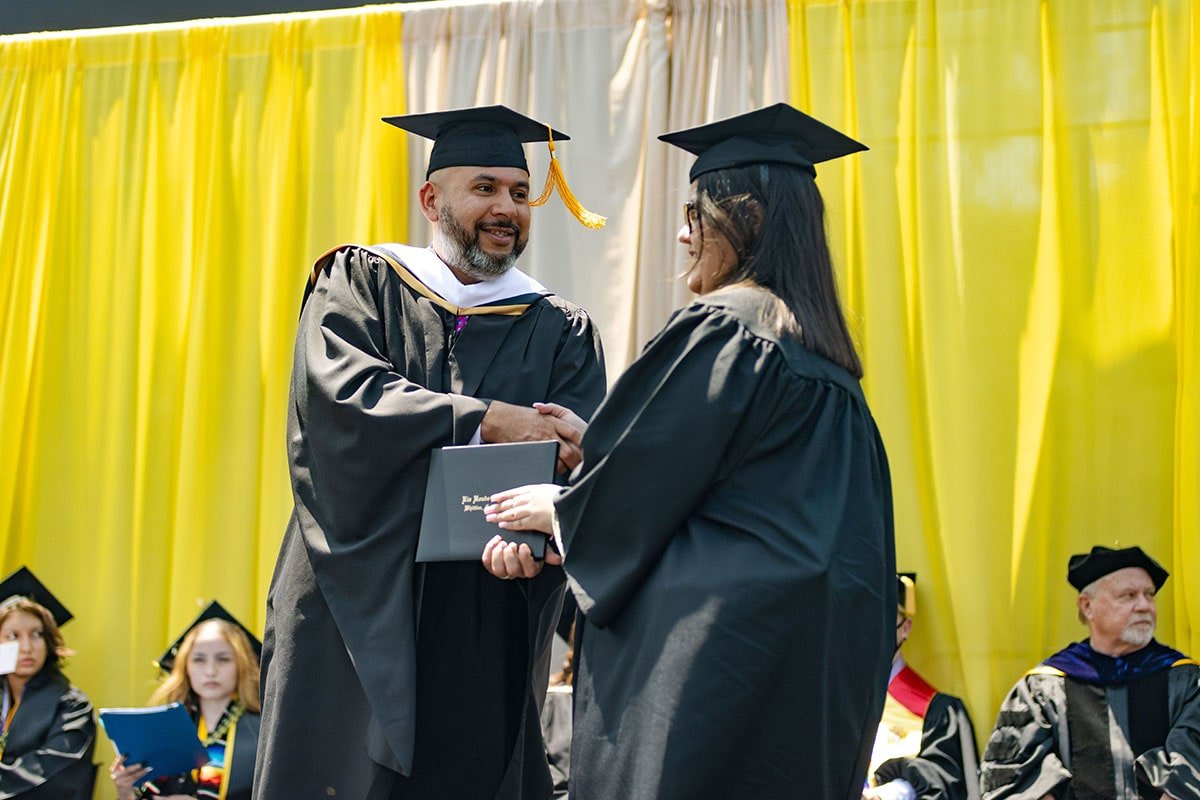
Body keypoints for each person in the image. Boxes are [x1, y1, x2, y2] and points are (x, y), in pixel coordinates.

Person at [483, 102, 897, 799]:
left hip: (711, 681)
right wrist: (602, 451)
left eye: (694, 215)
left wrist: (561, 508)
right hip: (799, 682)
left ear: (749, 218)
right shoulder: (828, 367)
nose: (681, 234)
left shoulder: (725, 328)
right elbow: (724, 489)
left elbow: (635, 500)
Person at [254, 105, 608, 799]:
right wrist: (487, 420)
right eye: (485, 188)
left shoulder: (560, 328)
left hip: (484, 608)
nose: (506, 208)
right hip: (354, 595)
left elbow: (573, 461)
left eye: (519, 192)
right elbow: (342, 404)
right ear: (430, 199)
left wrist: (537, 541)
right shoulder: (360, 283)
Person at [979, 545, 1200, 799]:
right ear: (1087, 606)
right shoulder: (1044, 688)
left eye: (1149, 595)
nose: (1144, 605)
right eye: (1128, 595)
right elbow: (1016, 778)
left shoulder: (1186, 681)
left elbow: (1192, 768)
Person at [110, 601, 262, 800]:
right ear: (185, 666)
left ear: (241, 665)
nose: (210, 671)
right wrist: (125, 791)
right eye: (199, 659)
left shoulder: (263, 731)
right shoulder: (164, 729)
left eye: (223, 659)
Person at [865, 574, 980, 800]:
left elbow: (945, 782)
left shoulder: (938, 712)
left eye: (884, 617)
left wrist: (885, 795)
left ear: (905, 628)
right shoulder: (832, 701)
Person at [0, 567, 96, 800]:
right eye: (13, 636)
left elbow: (57, 777)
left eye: (37, 634)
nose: (26, 647)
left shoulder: (72, 706)